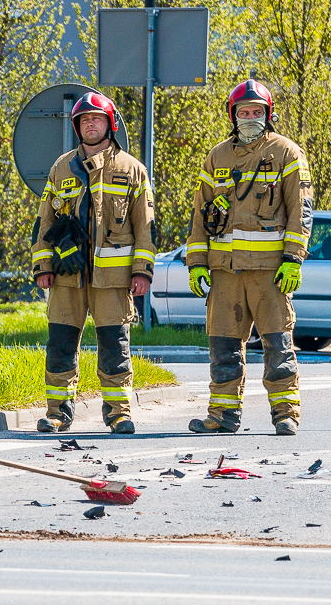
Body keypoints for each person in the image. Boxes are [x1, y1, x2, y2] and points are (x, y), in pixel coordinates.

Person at [186, 79, 313, 436]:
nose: (250, 117)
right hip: (225, 272)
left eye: (257, 111)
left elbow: (300, 210)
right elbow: (200, 214)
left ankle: (285, 413)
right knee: (223, 347)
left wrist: (293, 258)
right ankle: (222, 416)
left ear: (268, 114)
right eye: (244, 112)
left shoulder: (287, 152)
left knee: (278, 344)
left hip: (270, 272)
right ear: (233, 115)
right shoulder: (217, 156)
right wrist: (196, 264)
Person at [30, 92, 155, 435]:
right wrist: (43, 266)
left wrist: (142, 271)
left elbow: (144, 226)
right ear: (76, 126)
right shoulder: (62, 167)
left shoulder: (131, 170)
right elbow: (44, 221)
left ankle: (119, 414)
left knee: (115, 348)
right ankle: (57, 413)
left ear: (109, 124)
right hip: (67, 278)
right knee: (60, 346)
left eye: (96, 119)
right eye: (84, 120)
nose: (90, 124)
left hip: (113, 281)